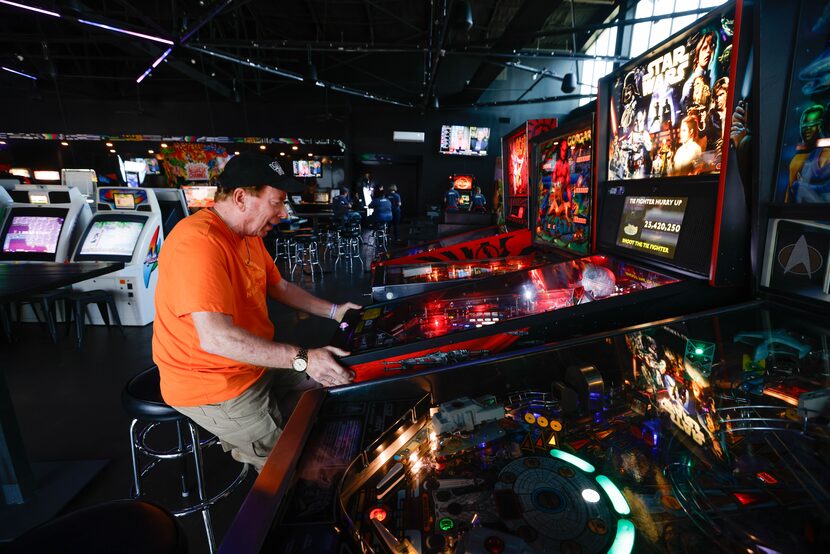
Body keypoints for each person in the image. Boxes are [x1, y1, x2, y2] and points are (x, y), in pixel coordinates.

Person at [152, 153, 360, 472]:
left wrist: (335, 311)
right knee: (306, 466)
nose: (283, 213)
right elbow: (217, 339)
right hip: (215, 383)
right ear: (241, 198)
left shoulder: (248, 237)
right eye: (276, 202)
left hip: (250, 366)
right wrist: (305, 358)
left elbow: (280, 288)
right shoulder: (198, 242)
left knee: (335, 379)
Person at [681, 30, 716, 112]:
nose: (708, 51)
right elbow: (684, 109)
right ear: (697, 54)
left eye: (711, 47)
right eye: (704, 48)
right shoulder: (690, 84)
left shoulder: (709, 75)